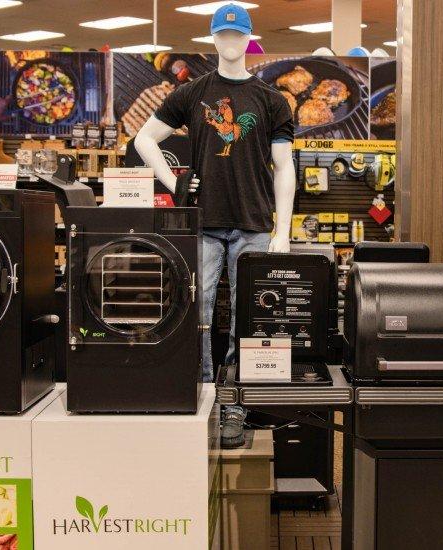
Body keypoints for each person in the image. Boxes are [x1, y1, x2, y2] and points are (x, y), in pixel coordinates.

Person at [133, 3, 295, 447]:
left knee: (249, 319)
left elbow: (285, 167)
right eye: (223, 35)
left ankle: (236, 406)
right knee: (197, 315)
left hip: (254, 222)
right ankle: (206, 399)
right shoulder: (192, 93)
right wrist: (174, 182)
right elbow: (144, 139)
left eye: (237, 35)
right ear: (213, 39)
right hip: (203, 223)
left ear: (249, 39)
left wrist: (282, 231)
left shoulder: (271, 99)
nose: (230, 42)